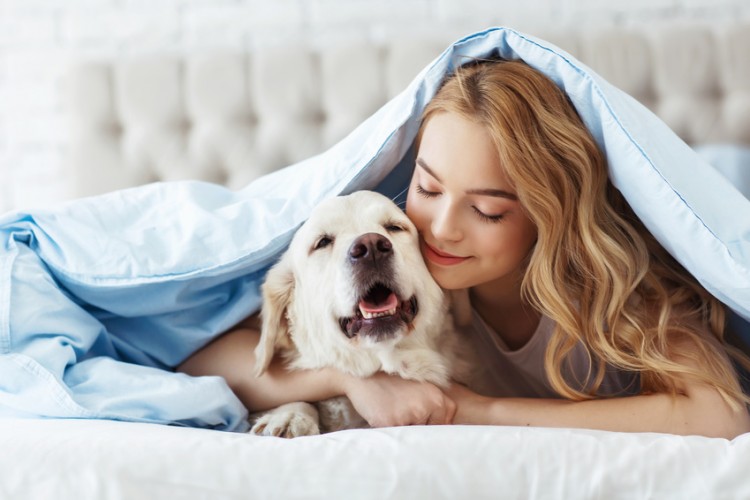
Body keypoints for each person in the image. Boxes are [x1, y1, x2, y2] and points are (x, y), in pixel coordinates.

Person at [178, 59, 750, 438]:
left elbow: (722, 412)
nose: (441, 228)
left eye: (488, 209)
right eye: (425, 188)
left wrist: (483, 411)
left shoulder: (611, 288)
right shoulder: (406, 267)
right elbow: (206, 355)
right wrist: (352, 380)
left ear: (546, 219)